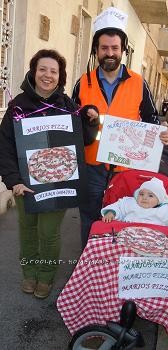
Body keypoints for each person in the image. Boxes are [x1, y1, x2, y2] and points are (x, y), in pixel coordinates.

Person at [0, 49, 99, 299]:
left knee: (49, 233)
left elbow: (84, 141)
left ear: (60, 76)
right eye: (42, 69)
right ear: (34, 72)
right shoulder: (17, 107)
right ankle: (29, 274)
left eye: (53, 71)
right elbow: (5, 146)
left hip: (58, 183)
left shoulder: (67, 106)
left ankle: (45, 276)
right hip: (25, 184)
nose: (48, 75)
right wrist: (13, 181)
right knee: (28, 230)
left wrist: (90, 118)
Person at [72, 7, 168, 248]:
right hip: (91, 167)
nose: (110, 53)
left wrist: (163, 132)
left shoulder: (139, 82)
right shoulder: (82, 83)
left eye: (115, 48)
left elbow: (151, 120)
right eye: (104, 48)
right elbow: (72, 123)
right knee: (89, 220)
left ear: (123, 50)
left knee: (122, 220)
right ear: (96, 50)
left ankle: (113, 267)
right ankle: (88, 266)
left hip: (125, 170)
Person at [101, 177, 168, 241]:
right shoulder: (130, 202)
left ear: (159, 200)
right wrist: (111, 213)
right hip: (126, 237)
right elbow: (118, 207)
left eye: (150, 196)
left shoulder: (167, 210)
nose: (144, 198)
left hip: (154, 241)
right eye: (141, 194)